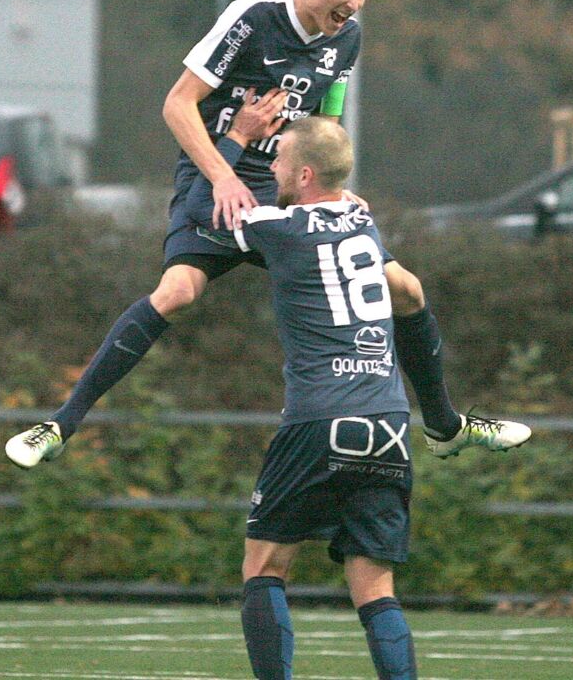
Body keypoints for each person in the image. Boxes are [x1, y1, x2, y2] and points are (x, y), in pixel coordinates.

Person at [6, 0, 525, 469]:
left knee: (406, 289)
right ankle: (58, 426)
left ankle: (446, 427)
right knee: (177, 292)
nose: (352, 5)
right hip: (218, 170)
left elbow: (326, 119)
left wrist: (332, 187)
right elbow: (177, 105)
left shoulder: (346, 37)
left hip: (287, 178)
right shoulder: (254, 17)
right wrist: (223, 175)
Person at [201, 117, 528, 679]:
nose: (272, 167)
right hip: (389, 420)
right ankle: (447, 426)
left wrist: (231, 147)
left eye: (280, 160)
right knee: (375, 588)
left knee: (265, 567)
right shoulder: (363, 222)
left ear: (305, 174)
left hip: (318, 418)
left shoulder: (279, 226)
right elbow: (410, 292)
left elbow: (197, 211)